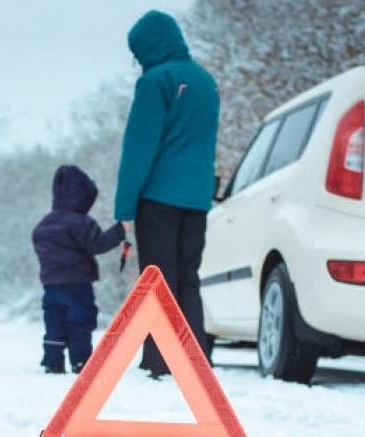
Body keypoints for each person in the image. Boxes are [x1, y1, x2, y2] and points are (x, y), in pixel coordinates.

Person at [114, 11, 220, 377]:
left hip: (158, 199)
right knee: (188, 276)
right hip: (197, 200)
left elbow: (138, 149)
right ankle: (195, 358)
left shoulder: (155, 81)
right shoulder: (205, 82)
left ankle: (161, 360)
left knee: (158, 278)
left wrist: (124, 207)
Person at [32, 165, 126, 374]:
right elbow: (98, 244)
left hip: (51, 284)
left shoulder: (43, 224)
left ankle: (52, 361)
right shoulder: (81, 223)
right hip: (77, 283)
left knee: (54, 321)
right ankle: (81, 361)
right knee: (80, 320)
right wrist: (121, 230)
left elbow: (39, 245)